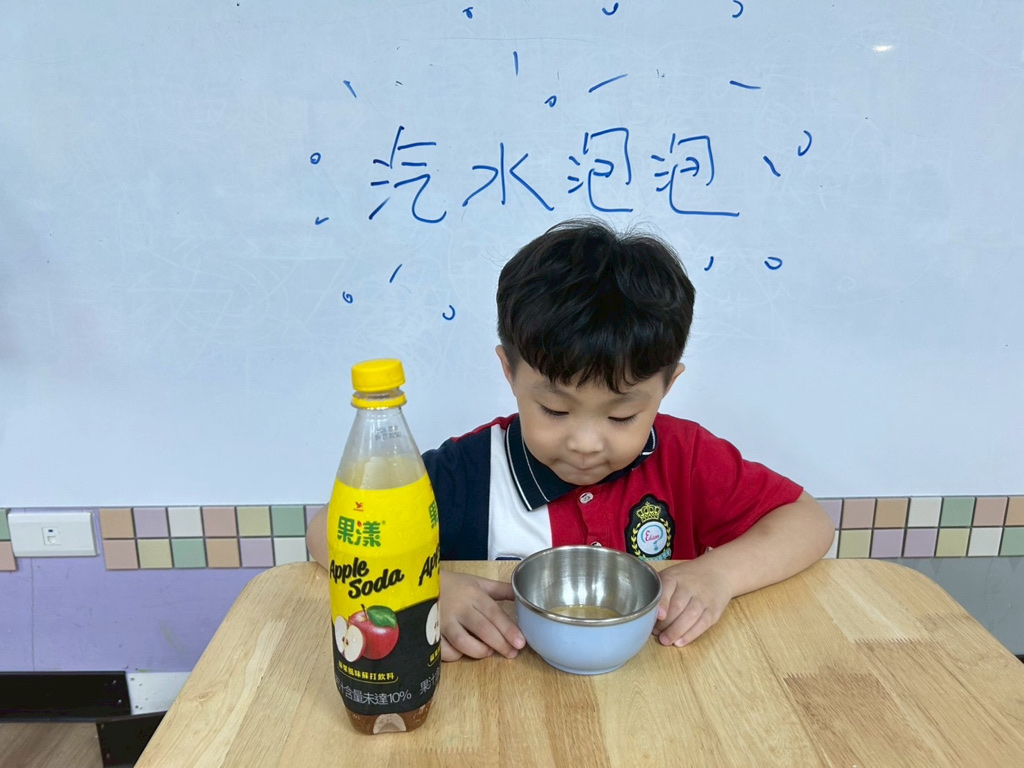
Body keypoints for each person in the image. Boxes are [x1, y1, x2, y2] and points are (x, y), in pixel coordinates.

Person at [307, 218, 835, 663]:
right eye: (555, 410)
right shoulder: (469, 470)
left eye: (622, 415)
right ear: (510, 372)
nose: (585, 442)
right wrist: (425, 589)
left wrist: (719, 574)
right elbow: (325, 530)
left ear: (667, 386)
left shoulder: (686, 457)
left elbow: (808, 521)